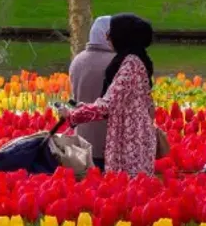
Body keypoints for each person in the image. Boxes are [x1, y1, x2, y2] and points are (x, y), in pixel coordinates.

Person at [63, 13, 157, 175]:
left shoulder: (130, 65)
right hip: (133, 135)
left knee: (125, 188)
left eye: (111, 33)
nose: (107, 38)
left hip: (128, 140)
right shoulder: (134, 61)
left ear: (122, 36)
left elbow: (108, 105)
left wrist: (72, 116)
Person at [69, 16, 114, 171]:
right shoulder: (117, 62)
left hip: (82, 138)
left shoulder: (78, 60)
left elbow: (74, 98)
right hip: (109, 141)